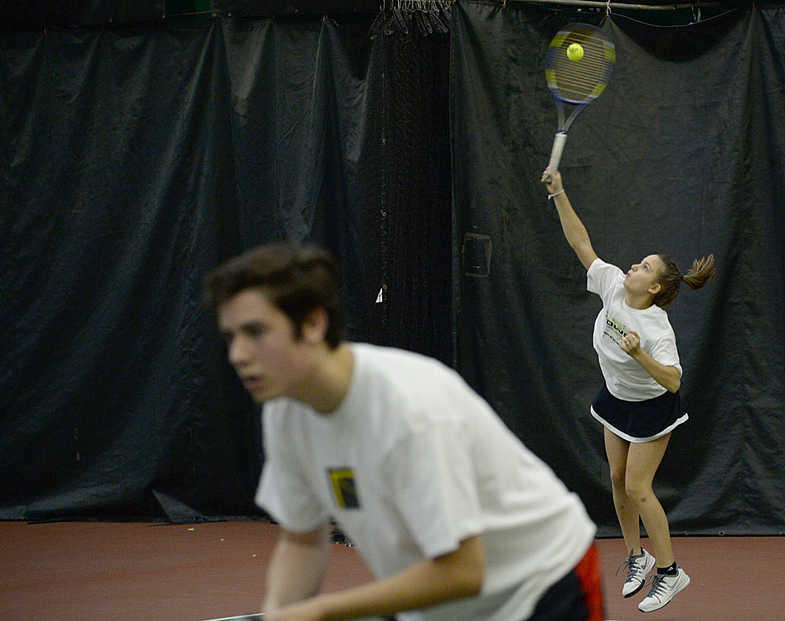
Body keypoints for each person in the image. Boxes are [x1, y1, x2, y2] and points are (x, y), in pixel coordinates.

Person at [203, 243, 603, 621]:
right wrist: (279, 611)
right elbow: (302, 540)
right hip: (446, 606)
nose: (237, 355)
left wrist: (324, 611)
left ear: (312, 324)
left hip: (543, 585)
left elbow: (463, 571)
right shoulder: (285, 409)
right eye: (230, 337)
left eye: (255, 332)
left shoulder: (412, 411)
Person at [542, 170, 715, 613]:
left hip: (653, 409)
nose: (633, 266)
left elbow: (674, 381)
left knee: (640, 488)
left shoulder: (658, 330)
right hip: (615, 400)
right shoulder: (614, 285)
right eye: (637, 263)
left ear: (654, 288)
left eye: (644, 267)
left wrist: (640, 356)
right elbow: (582, 244)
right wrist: (558, 191)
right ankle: (637, 556)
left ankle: (672, 573)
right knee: (616, 482)